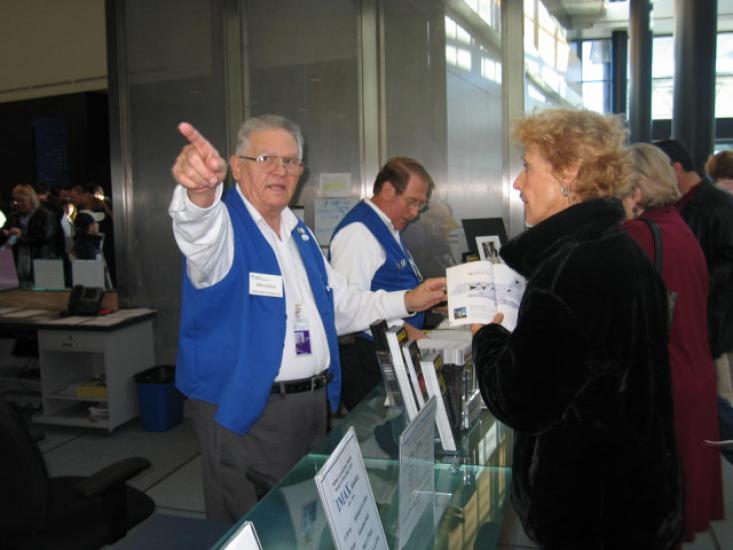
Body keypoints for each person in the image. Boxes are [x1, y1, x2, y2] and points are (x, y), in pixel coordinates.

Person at [169, 114, 446, 522]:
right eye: (266, 158)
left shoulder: (296, 231)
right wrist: (198, 194)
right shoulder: (225, 224)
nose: (280, 171)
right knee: (252, 527)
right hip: (248, 410)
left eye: (290, 162)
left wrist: (408, 299)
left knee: (300, 524)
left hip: (310, 407)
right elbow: (198, 233)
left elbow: (340, 305)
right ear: (238, 165)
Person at [471, 109, 683, 549]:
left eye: (528, 166)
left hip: (591, 512)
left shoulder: (569, 270)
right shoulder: (620, 250)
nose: (517, 183)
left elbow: (521, 401)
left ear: (569, 173)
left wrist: (485, 338)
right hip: (634, 497)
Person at [621, 143, 723, 544]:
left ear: (636, 190)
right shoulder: (677, 227)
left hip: (665, 379)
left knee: (653, 513)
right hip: (692, 372)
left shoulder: (638, 234)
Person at [329, 157, 433, 410]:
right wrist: (410, 332)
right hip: (368, 361)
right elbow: (348, 308)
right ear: (388, 190)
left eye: (421, 205)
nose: (415, 213)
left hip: (391, 352)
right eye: (411, 202)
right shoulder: (358, 233)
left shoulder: (388, 228)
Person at [653, 140, 733, 407]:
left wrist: (695, 283)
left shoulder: (718, 205)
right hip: (687, 322)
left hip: (709, 321)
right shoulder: (676, 206)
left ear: (675, 169)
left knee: (711, 400)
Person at [1, 184, 61, 284]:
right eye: (17, 201)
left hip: (40, 260)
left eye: (22, 201)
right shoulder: (13, 217)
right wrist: (5, 233)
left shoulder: (46, 216)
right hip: (18, 260)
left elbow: (46, 237)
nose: (19, 204)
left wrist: (21, 236)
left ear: (31, 199)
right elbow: (3, 235)